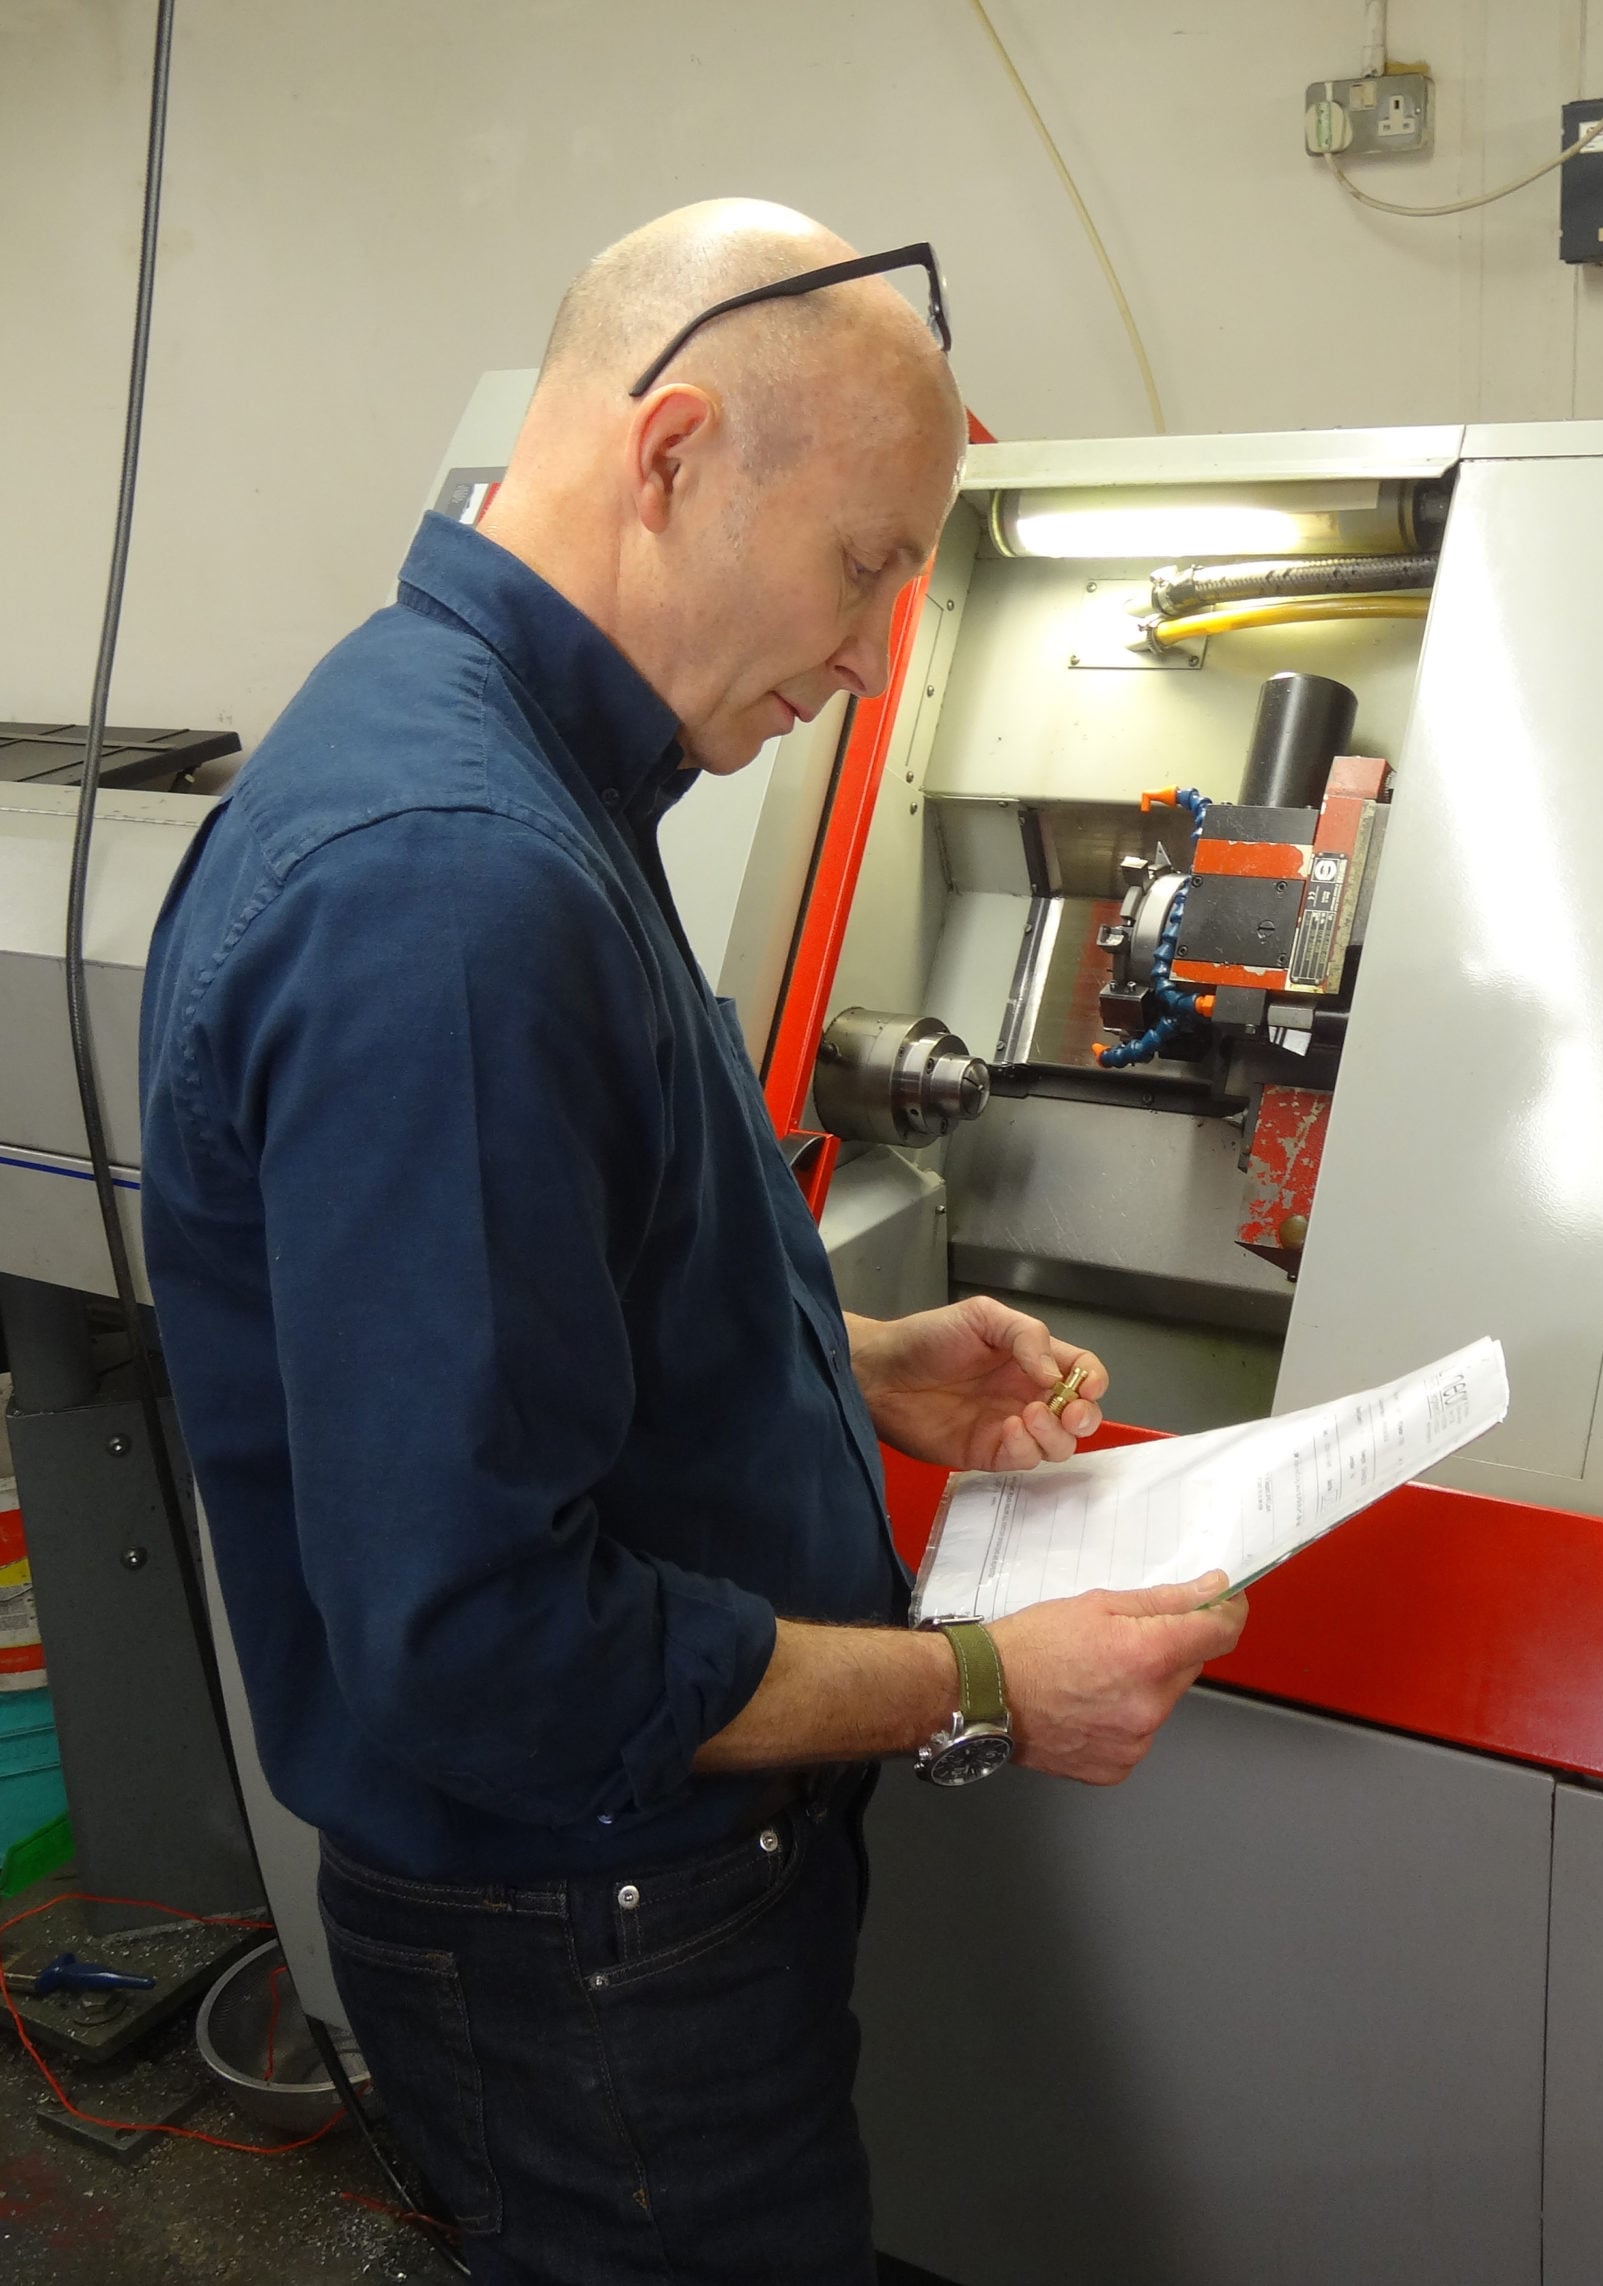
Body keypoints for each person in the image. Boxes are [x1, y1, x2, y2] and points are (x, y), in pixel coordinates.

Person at [140, 199, 1247, 2284]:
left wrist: (852, 1358)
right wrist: (987, 1680)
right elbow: (481, 1639)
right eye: (861, 567)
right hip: (590, 1939)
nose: (871, 657)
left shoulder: (517, 760)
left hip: (628, 1901)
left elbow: (552, 1288)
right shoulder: (452, 887)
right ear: (668, 455)